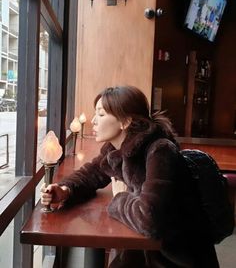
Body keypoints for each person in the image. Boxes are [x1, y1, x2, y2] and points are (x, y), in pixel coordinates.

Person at [41, 85, 219, 267]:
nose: (94, 120)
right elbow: (91, 173)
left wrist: (120, 198)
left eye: (101, 114)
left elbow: (150, 219)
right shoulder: (116, 148)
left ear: (125, 122)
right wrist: (65, 190)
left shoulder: (160, 151)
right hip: (142, 251)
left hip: (175, 257)